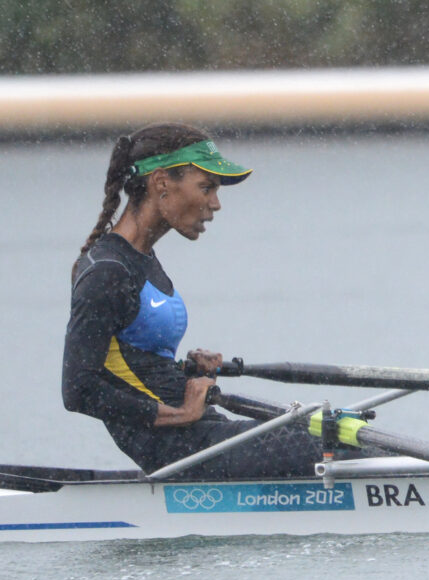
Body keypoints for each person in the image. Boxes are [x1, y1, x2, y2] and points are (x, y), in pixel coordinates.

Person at [62, 122, 335, 478]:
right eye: (206, 188)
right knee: (327, 445)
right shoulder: (107, 271)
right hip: (175, 447)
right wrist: (180, 414)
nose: (215, 204)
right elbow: (78, 390)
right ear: (161, 183)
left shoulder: (139, 258)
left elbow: (133, 363)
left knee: (333, 431)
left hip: (198, 435)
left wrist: (187, 369)